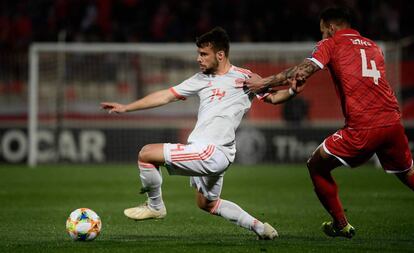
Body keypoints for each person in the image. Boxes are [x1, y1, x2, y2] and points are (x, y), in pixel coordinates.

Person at [101, 27, 298, 240]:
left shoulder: (245, 78)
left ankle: (155, 206)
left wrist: (293, 91)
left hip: (212, 152)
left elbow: (273, 98)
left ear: (220, 55)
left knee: (146, 153)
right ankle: (261, 228)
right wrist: (126, 107)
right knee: (207, 203)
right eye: (198, 54)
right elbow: (166, 96)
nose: (198, 59)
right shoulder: (200, 79)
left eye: (204, 54)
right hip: (216, 153)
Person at [246, 7, 414, 239]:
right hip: (393, 121)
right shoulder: (373, 46)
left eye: (323, 31)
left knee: (316, 165)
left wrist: (264, 82)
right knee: (407, 173)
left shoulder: (332, 43)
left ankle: (341, 224)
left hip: (363, 127)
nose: (322, 36)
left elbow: (303, 70)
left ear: (332, 28)